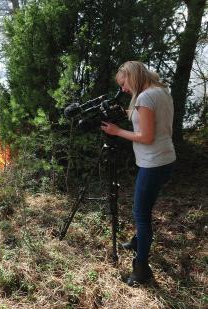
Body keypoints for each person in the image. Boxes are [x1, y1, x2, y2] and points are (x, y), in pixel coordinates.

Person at [101, 61, 176, 286]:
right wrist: (124, 113)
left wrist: (116, 131)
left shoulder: (144, 97)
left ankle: (142, 268)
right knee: (144, 209)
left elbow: (146, 136)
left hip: (153, 163)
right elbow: (150, 120)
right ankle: (137, 241)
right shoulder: (160, 91)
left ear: (132, 77)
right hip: (165, 160)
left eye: (123, 83)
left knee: (140, 213)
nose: (123, 89)